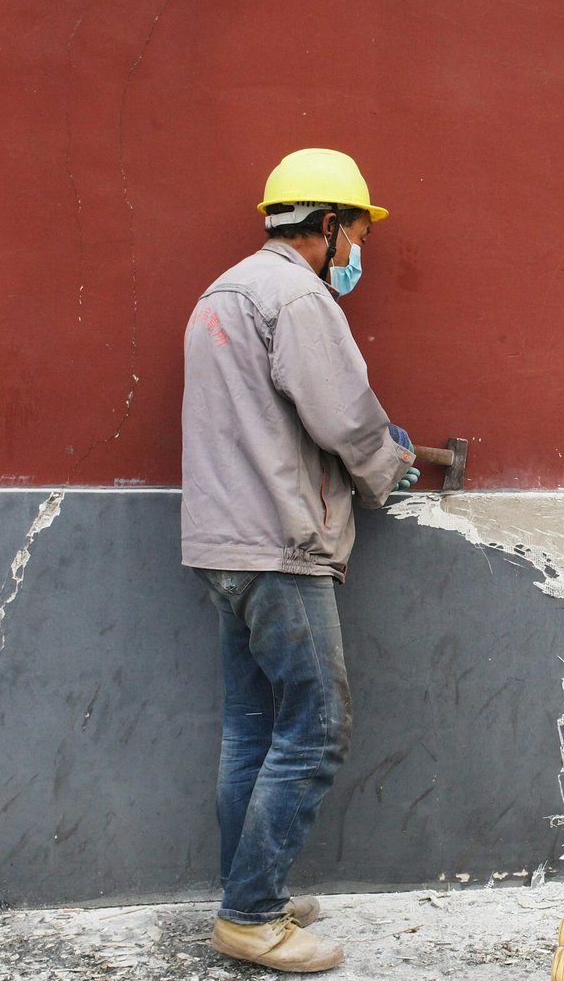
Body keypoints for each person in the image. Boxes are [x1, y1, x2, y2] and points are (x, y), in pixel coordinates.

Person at [181, 148, 419, 971]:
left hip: (221, 544)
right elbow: (345, 416)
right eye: (357, 235)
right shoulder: (298, 297)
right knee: (317, 728)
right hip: (279, 546)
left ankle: (248, 889)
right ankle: (251, 917)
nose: (357, 253)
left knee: (251, 728)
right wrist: (391, 464)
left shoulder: (221, 293)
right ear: (327, 225)